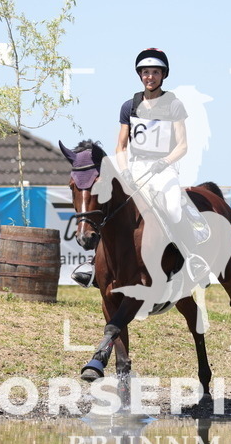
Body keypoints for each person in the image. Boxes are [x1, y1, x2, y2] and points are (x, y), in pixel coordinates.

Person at [70, 48, 209, 289]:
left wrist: (164, 162)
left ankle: (192, 260)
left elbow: (183, 146)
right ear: (140, 75)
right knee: (109, 206)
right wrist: (124, 170)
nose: (150, 77)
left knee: (173, 208)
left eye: (155, 72)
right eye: (145, 72)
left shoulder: (174, 105)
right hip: (134, 168)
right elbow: (121, 145)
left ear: (163, 75)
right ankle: (94, 264)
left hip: (164, 169)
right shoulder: (129, 106)